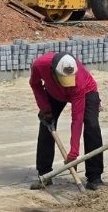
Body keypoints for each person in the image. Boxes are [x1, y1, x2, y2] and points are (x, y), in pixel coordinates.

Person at [29, 52, 103, 190]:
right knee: (46, 125)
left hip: (86, 91)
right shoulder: (40, 64)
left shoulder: (78, 82)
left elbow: (77, 118)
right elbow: (35, 84)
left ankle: (95, 177)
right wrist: (45, 108)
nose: (67, 84)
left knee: (92, 126)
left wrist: (73, 153)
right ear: (53, 72)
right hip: (54, 93)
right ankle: (45, 174)